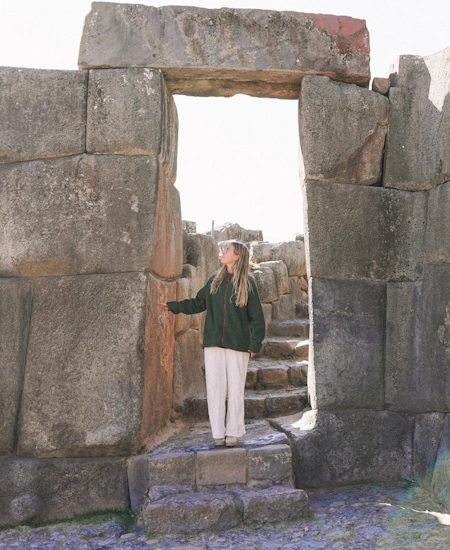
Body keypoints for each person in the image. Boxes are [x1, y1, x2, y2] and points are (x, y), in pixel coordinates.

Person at [158, 240, 265, 447]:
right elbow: (198, 303)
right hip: (213, 343)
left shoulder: (247, 283)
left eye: (227, 250)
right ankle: (218, 433)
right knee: (215, 387)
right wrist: (174, 307)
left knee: (235, 389)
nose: (223, 252)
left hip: (238, 344)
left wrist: (255, 343)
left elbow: (257, 318)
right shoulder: (214, 280)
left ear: (237, 256)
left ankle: (233, 432)